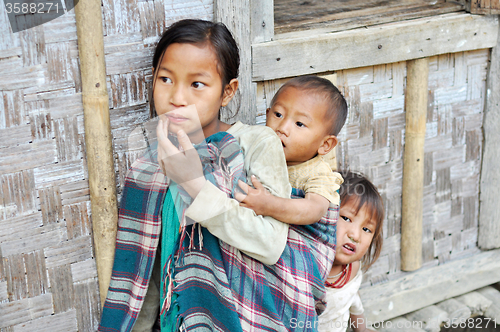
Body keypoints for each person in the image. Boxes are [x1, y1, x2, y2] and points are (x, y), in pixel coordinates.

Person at [98, 19, 337, 332]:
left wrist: (196, 186)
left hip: (245, 317)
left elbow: (269, 245)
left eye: (197, 84)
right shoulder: (152, 164)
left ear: (228, 92)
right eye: (166, 79)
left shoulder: (256, 143)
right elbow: (145, 272)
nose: (177, 97)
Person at [237, 75, 347, 225]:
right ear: (267, 114)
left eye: (299, 124)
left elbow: (314, 209)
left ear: (325, 144)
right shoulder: (256, 148)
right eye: (278, 114)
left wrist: (269, 205)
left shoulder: (318, 174)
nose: (282, 128)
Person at [317, 171, 384, 332]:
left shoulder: (352, 267)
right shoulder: (309, 267)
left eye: (367, 229)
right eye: (346, 218)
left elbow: (351, 297)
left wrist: (361, 329)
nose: (355, 235)